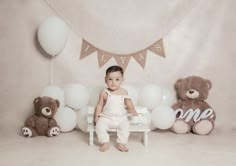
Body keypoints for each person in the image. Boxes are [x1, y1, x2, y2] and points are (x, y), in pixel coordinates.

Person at [94, 65, 138, 152]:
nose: (113, 82)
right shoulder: (104, 92)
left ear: (122, 80)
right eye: (110, 79)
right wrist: (96, 116)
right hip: (106, 118)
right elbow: (99, 105)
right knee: (99, 126)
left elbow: (128, 102)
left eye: (117, 79)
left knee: (126, 126)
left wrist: (132, 110)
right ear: (105, 80)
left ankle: (121, 143)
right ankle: (104, 142)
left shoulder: (123, 92)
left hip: (120, 118)